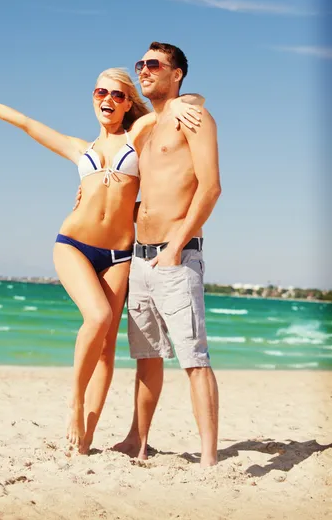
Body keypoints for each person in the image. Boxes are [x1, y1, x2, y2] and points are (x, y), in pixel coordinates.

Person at [0, 70, 203, 454]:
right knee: (97, 318)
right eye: (100, 91)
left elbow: (193, 103)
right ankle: (75, 402)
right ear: (93, 97)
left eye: (117, 94)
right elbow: (27, 124)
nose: (107, 98)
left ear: (128, 103)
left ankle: (87, 437)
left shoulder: (139, 135)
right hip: (74, 245)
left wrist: (177, 101)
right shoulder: (80, 148)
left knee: (107, 346)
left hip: (119, 255)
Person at [111, 42, 221, 467]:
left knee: (194, 359)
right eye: (140, 64)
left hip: (175, 256)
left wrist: (175, 246)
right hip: (139, 257)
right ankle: (137, 441)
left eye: (154, 64)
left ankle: (209, 458)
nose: (144, 69)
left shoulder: (194, 117)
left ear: (176, 74)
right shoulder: (148, 126)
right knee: (146, 357)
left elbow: (210, 187)